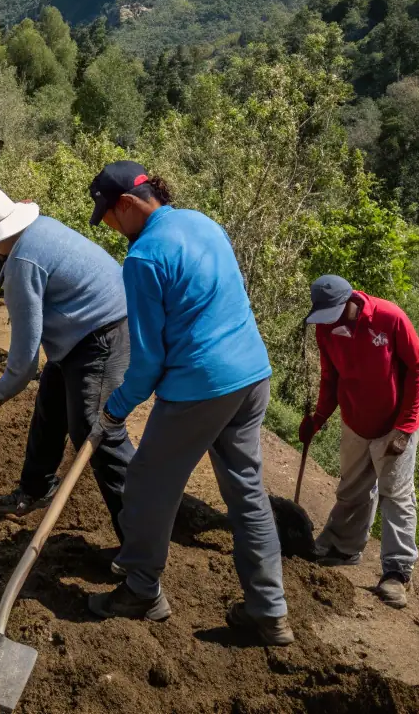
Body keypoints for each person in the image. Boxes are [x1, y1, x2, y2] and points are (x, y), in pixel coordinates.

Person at [86, 162, 292, 646]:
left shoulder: (143, 259)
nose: (111, 229)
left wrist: (116, 408)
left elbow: (148, 361)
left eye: (110, 217)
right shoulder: (202, 222)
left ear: (130, 204)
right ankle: (269, 611)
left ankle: (140, 590)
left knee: (147, 484)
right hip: (251, 373)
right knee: (247, 492)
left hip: (200, 386)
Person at [0, 185, 135, 540]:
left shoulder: (22, 265)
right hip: (89, 330)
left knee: (94, 429)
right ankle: (35, 489)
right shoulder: (40, 229)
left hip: (104, 335)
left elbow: (23, 367)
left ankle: (140, 540)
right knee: (52, 401)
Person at [301, 274, 419, 609]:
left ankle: (397, 572)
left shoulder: (389, 317)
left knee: (396, 495)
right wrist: (318, 418)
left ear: (350, 301)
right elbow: (331, 376)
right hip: (356, 419)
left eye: (332, 311)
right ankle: (343, 548)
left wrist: (404, 428)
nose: (327, 320)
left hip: (395, 424)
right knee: (352, 488)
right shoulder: (326, 327)